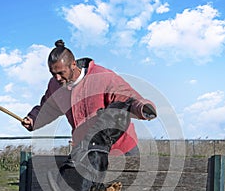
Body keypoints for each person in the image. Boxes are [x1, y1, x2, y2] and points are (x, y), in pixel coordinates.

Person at [22, 39, 157, 156]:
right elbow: (49, 108)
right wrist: (34, 119)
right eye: (53, 74)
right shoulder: (55, 85)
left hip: (121, 149)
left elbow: (127, 98)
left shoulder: (103, 77)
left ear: (73, 64)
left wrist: (143, 108)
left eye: (61, 73)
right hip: (86, 151)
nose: (57, 78)